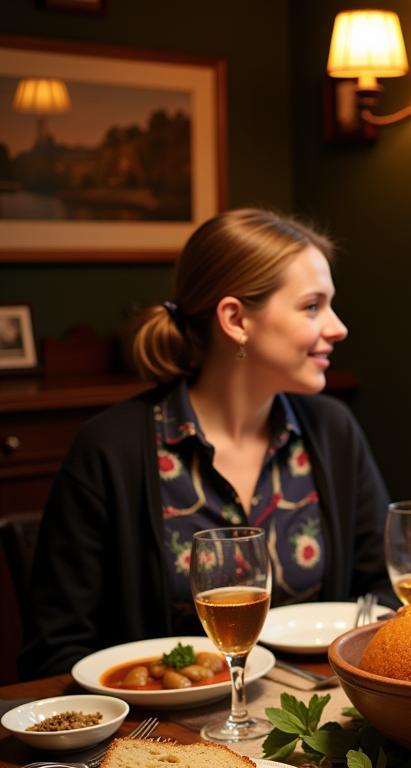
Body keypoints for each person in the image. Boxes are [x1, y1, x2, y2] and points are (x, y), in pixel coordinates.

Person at [20, 209, 390, 679]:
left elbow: (380, 591)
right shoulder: (111, 449)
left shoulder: (332, 430)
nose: (338, 327)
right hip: (157, 734)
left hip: (310, 716)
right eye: (312, 306)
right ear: (236, 320)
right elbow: (54, 650)